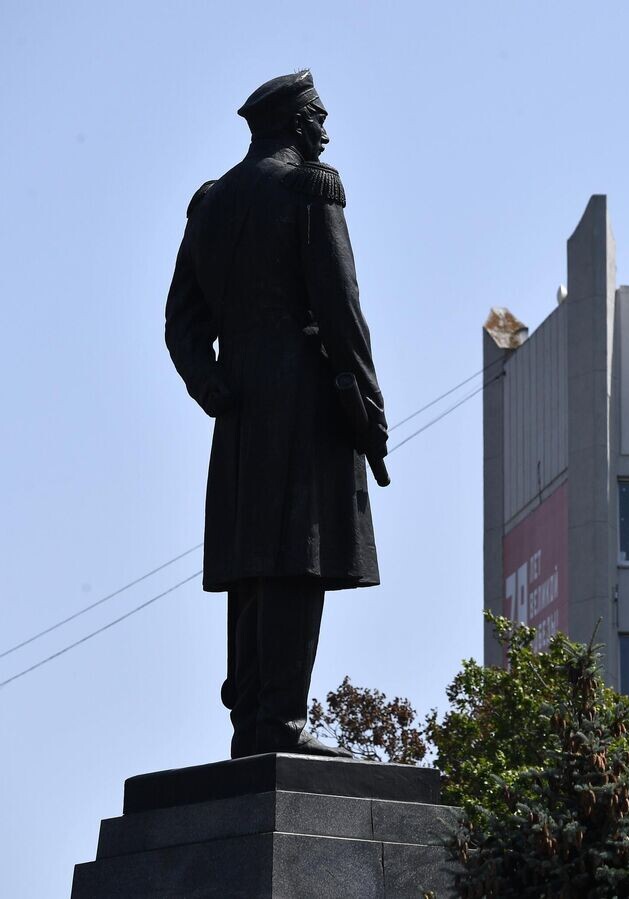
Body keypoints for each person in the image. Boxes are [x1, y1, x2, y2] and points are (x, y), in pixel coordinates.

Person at [165, 71, 388, 759]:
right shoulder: (309, 188)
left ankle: (252, 725)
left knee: (252, 565)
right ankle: (283, 723)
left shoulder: (212, 204)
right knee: (296, 558)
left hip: (239, 416)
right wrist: (371, 411)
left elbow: (181, 323)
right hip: (305, 405)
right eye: (319, 117)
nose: (325, 130)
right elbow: (341, 310)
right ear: (296, 121)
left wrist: (214, 389)